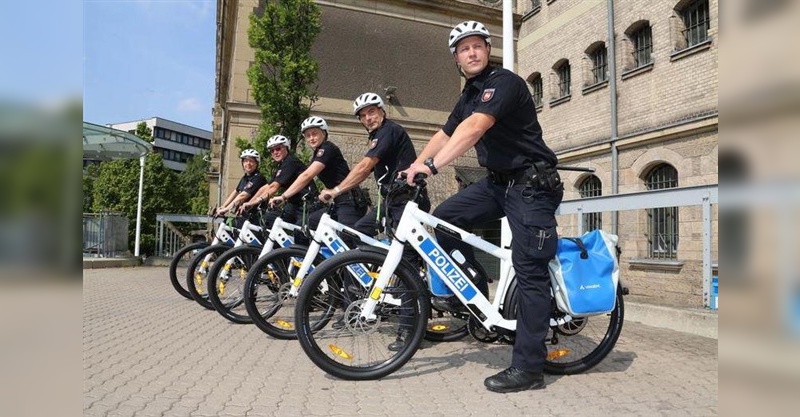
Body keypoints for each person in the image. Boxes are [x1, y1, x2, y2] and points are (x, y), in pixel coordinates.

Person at [403, 21, 564, 393]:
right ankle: (474, 281)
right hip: (496, 184)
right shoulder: (471, 93)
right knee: (442, 220)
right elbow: (446, 133)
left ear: (487, 50)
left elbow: (474, 128)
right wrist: (414, 164)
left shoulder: (503, 82)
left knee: (530, 273)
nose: (471, 52)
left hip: (531, 187)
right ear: (456, 58)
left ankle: (528, 368)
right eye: (463, 48)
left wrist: (432, 166)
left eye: (477, 46)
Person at [318, 93, 430, 350]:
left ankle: (410, 329)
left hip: (407, 202)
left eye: (371, 112)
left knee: (407, 263)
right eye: (363, 115)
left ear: (382, 111)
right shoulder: (377, 136)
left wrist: (336, 190)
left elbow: (365, 167)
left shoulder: (389, 131)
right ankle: (365, 293)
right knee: (354, 235)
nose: (368, 118)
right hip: (389, 202)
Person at [269, 116, 365, 231]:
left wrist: (284, 196)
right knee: (305, 226)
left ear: (324, 133)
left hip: (350, 201)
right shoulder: (318, 152)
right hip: (337, 201)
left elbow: (307, 175)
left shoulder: (327, 148)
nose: (311, 138)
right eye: (308, 136)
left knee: (348, 241)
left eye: (314, 134)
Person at [238, 135, 317, 228]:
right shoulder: (281, 165)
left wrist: (254, 202)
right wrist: (251, 202)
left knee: (300, 234)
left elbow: (274, 187)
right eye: (272, 150)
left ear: (286, 148)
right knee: (267, 221)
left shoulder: (290, 162)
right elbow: (267, 187)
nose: (275, 152)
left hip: (307, 204)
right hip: (293, 204)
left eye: (278, 148)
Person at [215, 149, 268, 228]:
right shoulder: (245, 178)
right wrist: (223, 206)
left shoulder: (258, 177)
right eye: (245, 161)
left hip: (255, 217)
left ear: (256, 163)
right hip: (244, 215)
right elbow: (235, 192)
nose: (248, 164)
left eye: (251, 161)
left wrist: (226, 209)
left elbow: (243, 195)